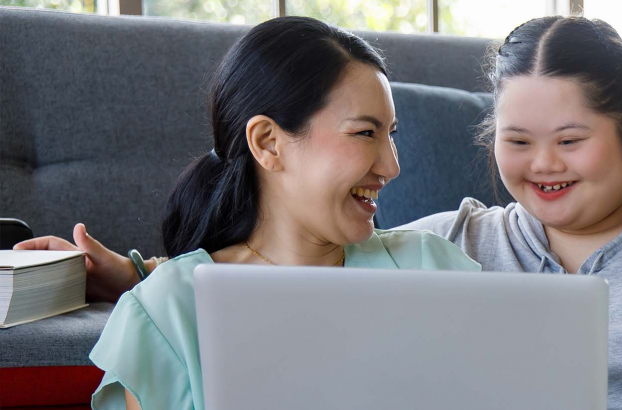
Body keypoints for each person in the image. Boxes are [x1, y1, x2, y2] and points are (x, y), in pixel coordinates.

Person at [21, 16, 622, 410]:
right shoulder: (466, 243)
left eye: (571, 140)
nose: (541, 166)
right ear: (270, 144)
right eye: (517, 140)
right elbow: (263, 279)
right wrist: (137, 277)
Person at [62, 17, 481, 410]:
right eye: (365, 133)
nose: (391, 166)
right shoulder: (168, 310)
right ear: (268, 142)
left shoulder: (432, 268)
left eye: (390, 135)